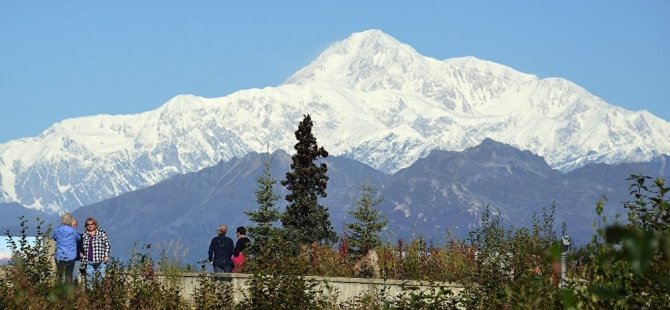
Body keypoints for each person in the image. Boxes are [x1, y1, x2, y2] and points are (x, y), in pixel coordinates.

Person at [81, 217, 110, 287]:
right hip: (89, 261)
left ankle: (100, 294)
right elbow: (81, 246)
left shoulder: (101, 233)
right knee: (89, 280)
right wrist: (81, 253)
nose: (90, 225)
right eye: (88, 224)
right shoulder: (84, 235)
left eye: (92, 224)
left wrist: (106, 255)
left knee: (101, 279)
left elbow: (107, 244)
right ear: (86, 226)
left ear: (95, 224)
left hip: (100, 261)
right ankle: (91, 295)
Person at [52, 213, 81, 283]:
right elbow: (79, 238)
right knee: (69, 275)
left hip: (59, 256)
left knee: (59, 275)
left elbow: (54, 238)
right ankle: (69, 291)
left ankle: (59, 291)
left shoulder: (57, 230)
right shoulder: (74, 231)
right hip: (70, 256)